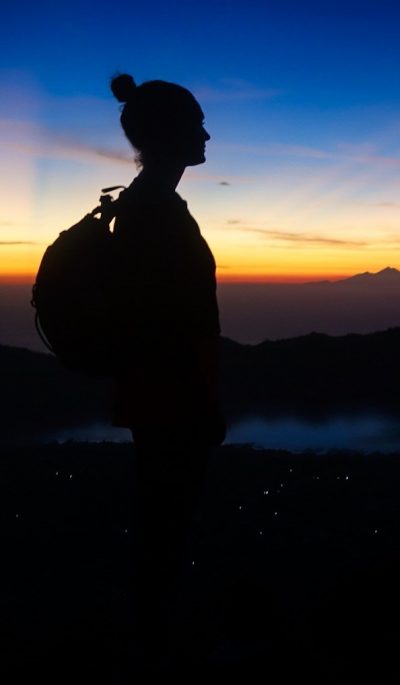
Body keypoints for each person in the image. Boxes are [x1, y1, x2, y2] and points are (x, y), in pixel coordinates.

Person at [107, 72, 225, 675]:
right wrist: (201, 399)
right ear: (170, 134)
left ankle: (153, 639)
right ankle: (153, 651)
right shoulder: (155, 211)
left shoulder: (149, 202)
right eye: (196, 123)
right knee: (165, 529)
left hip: (157, 397)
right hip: (169, 401)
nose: (207, 133)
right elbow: (164, 321)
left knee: (163, 526)